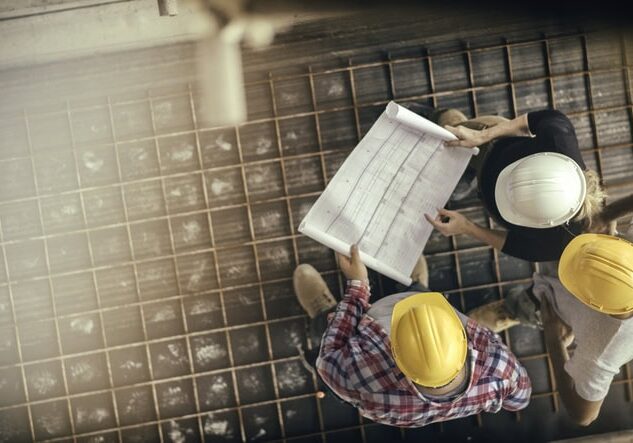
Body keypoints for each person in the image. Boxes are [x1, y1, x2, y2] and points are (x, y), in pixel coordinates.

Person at [292, 245, 531, 427]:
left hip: (364, 318)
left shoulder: (368, 385)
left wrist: (357, 286)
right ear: (464, 341)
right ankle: (417, 289)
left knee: (327, 327)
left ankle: (324, 312)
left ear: (394, 352)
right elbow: (520, 400)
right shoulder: (499, 368)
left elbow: (328, 359)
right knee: (420, 296)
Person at [416, 107, 607, 263]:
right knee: (448, 127)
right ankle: (434, 115)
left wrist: (467, 227)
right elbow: (530, 121)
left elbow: (511, 244)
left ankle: (467, 180)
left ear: (544, 222)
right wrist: (482, 136)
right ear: (543, 157)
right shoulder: (559, 137)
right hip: (493, 143)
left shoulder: (557, 243)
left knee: (454, 185)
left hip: (485, 188)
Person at [536, 233, 633, 426]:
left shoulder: (605, 349)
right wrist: (607, 216)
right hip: (582, 256)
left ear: (593, 305)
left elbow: (583, 415)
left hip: (549, 302)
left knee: (520, 307)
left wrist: (555, 342)